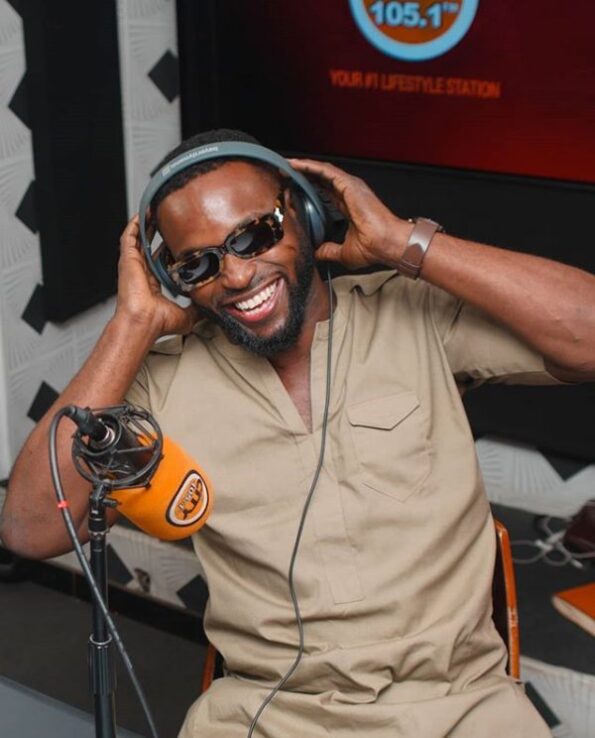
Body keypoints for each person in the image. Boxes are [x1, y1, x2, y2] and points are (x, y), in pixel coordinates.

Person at [2, 128, 595, 738]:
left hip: (462, 707)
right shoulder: (159, 384)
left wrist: (404, 242)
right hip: (270, 714)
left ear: (304, 214)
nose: (237, 275)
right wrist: (132, 324)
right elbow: (30, 528)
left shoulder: (415, 311)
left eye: (253, 235)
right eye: (198, 264)